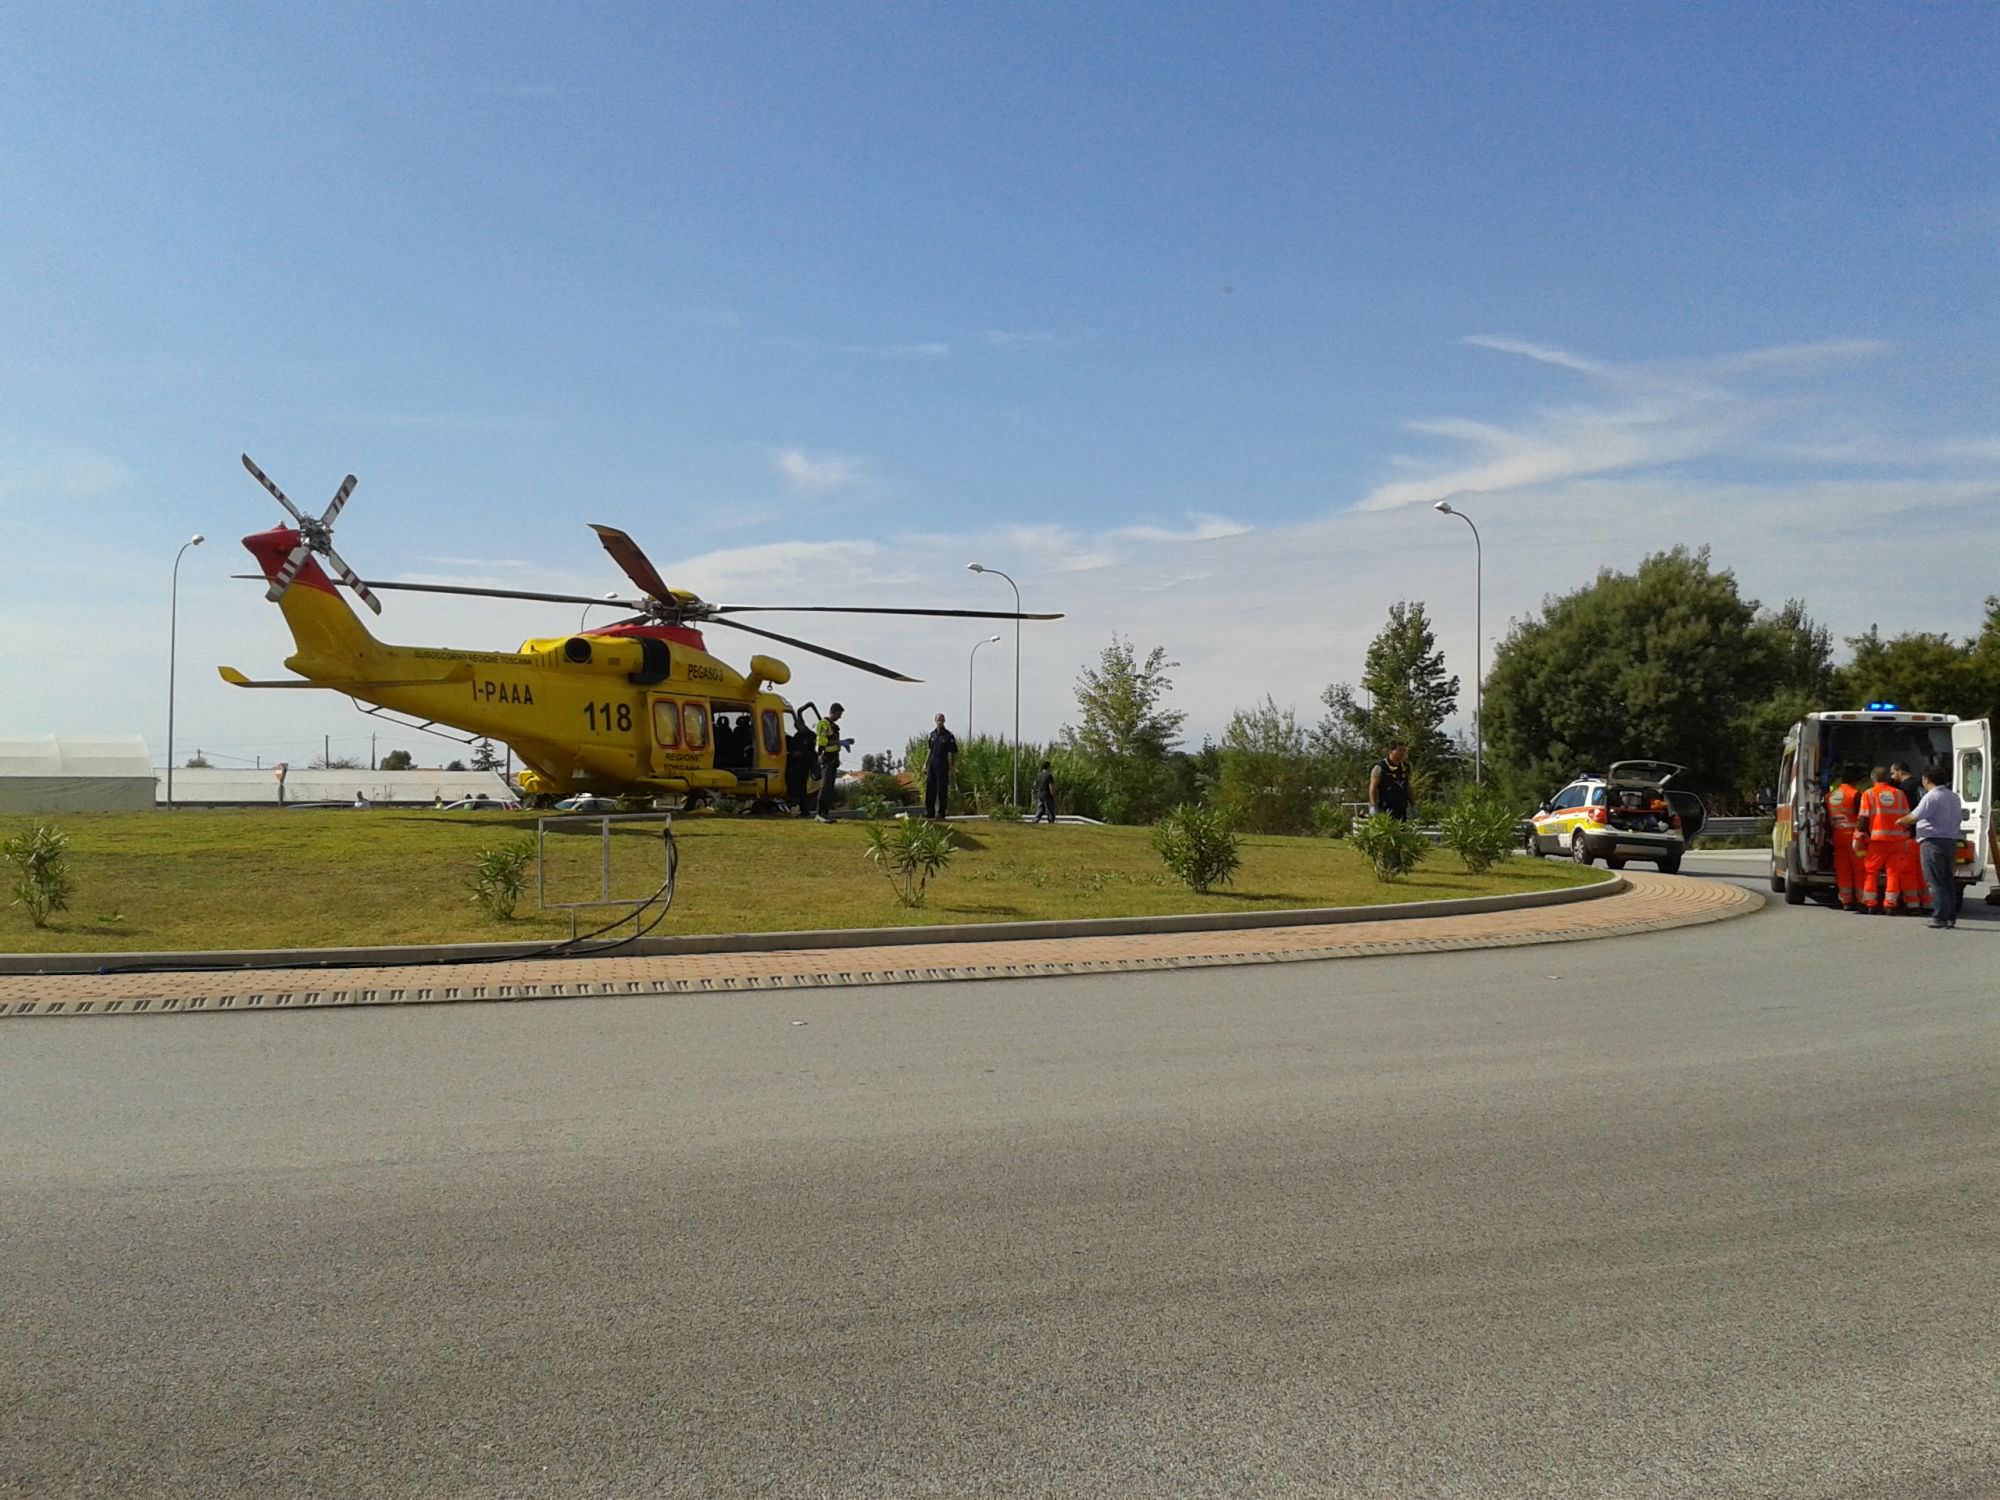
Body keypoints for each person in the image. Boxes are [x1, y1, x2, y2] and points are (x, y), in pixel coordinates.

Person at [1899, 764, 1964, 929]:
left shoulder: (1931, 797)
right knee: (1948, 881)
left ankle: (1939, 917)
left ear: (1926, 779)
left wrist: (1900, 820)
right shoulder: (1954, 797)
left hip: (1932, 842)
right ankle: (1950, 917)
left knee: (1935, 881)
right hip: (1950, 841)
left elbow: (1914, 817)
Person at [1854, 765, 1914, 913]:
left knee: (1871, 872)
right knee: (1893, 873)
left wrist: (1857, 836)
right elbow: (1908, 819)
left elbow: (1863, 819)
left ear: (1873, 779)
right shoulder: (1900, 794)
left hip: (1877, 841)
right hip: (1897, 841)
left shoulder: (1869, 794)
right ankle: (1890, 904)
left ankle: (1870, 903)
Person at [1887, 760, 1929, 913]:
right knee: (1920, 871)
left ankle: (1911, 903)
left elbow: (1906, 811)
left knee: (1907, 871)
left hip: (1909, 832)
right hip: (1922, 833)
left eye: (1893, 773)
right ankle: (1924, 902)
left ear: (1900, 771)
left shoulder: (1904, 789)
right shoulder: (1920, 783)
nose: (1892, 776)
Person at [1823, 764, 1863, 911]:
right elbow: (1862, 816)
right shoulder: (1855, 794)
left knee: (1842, 869)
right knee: (1859, 869)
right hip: (1853, 836)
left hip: (1837, 835)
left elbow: (1826, 818)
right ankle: (1861, 899)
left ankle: (1846, 900)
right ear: (1854, 781)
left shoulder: (1830, 796)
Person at [813, 703, 851, 823]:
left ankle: (825, 813)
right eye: (839, 714)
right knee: (825, 787)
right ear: (833, 712)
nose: (839, 717)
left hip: (833, 758)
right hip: (827, 758)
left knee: (829, 788)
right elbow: (823, 744)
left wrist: (842, 744)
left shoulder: (832, 726)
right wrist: (840, 742)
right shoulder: (824, 724)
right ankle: (820, 814)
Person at [923, 713, 958, 820]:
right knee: (930, 788)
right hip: (933, 764)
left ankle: (941, 813)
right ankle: (930, 812)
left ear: (944, 721)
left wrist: (952, 768)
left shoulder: (948, 736)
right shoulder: (932, 735)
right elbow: (930, 750)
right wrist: (925, 764)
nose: (939, 722)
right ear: (935, 721)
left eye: (941, 720)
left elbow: (953, 752)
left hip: (943, 764)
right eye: (938, 720)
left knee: (942, 790)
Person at [1368, 743, 1413, 821]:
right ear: (1390, 751)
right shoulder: (1380, 767)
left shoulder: (1405, 767)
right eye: (1400, 750)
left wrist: (1413, 804)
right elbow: (1373, 788)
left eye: (1404, 751)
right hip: (1385, 808)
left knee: (1402, 831)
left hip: (1401, 807)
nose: (1402, 753)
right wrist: (1373, 806)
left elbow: (1408, 786)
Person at [785, 717, 816, 817]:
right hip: (796, 766)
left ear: (803, 724)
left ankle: (804, 811)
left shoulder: (811, 736)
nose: (798, 729)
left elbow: (812, 752)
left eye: (798, 726)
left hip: (805, 765)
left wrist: (801, 754)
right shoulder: (797, 736)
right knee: (797, 788)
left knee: (802, 789)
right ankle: (797, 807)